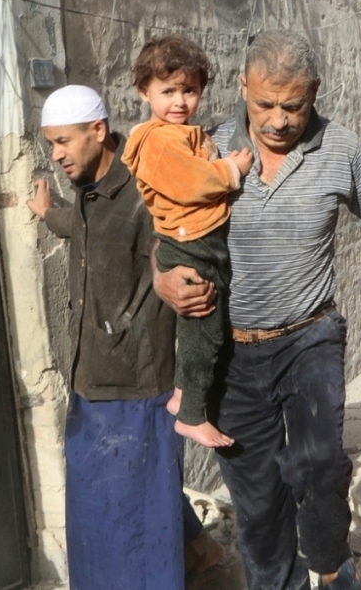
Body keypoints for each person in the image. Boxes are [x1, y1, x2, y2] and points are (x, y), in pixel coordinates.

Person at [153, 30, 361, 590]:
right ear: (241, 87)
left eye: (293, 106)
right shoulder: (205, 147)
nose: (278, 120)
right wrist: (164, 282)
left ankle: (331, 568)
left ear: (315, 93)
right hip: (230, 350)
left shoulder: (341, 149)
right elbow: (166, 239)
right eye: (265, 104)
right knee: (256, 502)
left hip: (311, 337)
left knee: (318, 464)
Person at [26, 85, 221, 590]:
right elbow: (84, 227)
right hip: (90, 378)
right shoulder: (89, 191)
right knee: (105, 510)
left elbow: (165, 252)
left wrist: (171, 281)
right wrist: (46, 213)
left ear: (97, 131)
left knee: (133, 521)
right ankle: (201, 551)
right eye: (51, 144)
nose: (56, 154)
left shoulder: (143, 190)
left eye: (63, 142)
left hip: (137, 385)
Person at [121, 34, 252, 448]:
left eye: (189, 90)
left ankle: (182, 395)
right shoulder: (160, 140)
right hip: (190, 242)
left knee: (196, 331)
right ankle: (193, 415)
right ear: (145, 92)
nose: (179, 101)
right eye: (168, 91)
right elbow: (193, 182)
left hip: (194, 238)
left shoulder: (178, 134)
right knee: (207, 331)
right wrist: (232, 169)